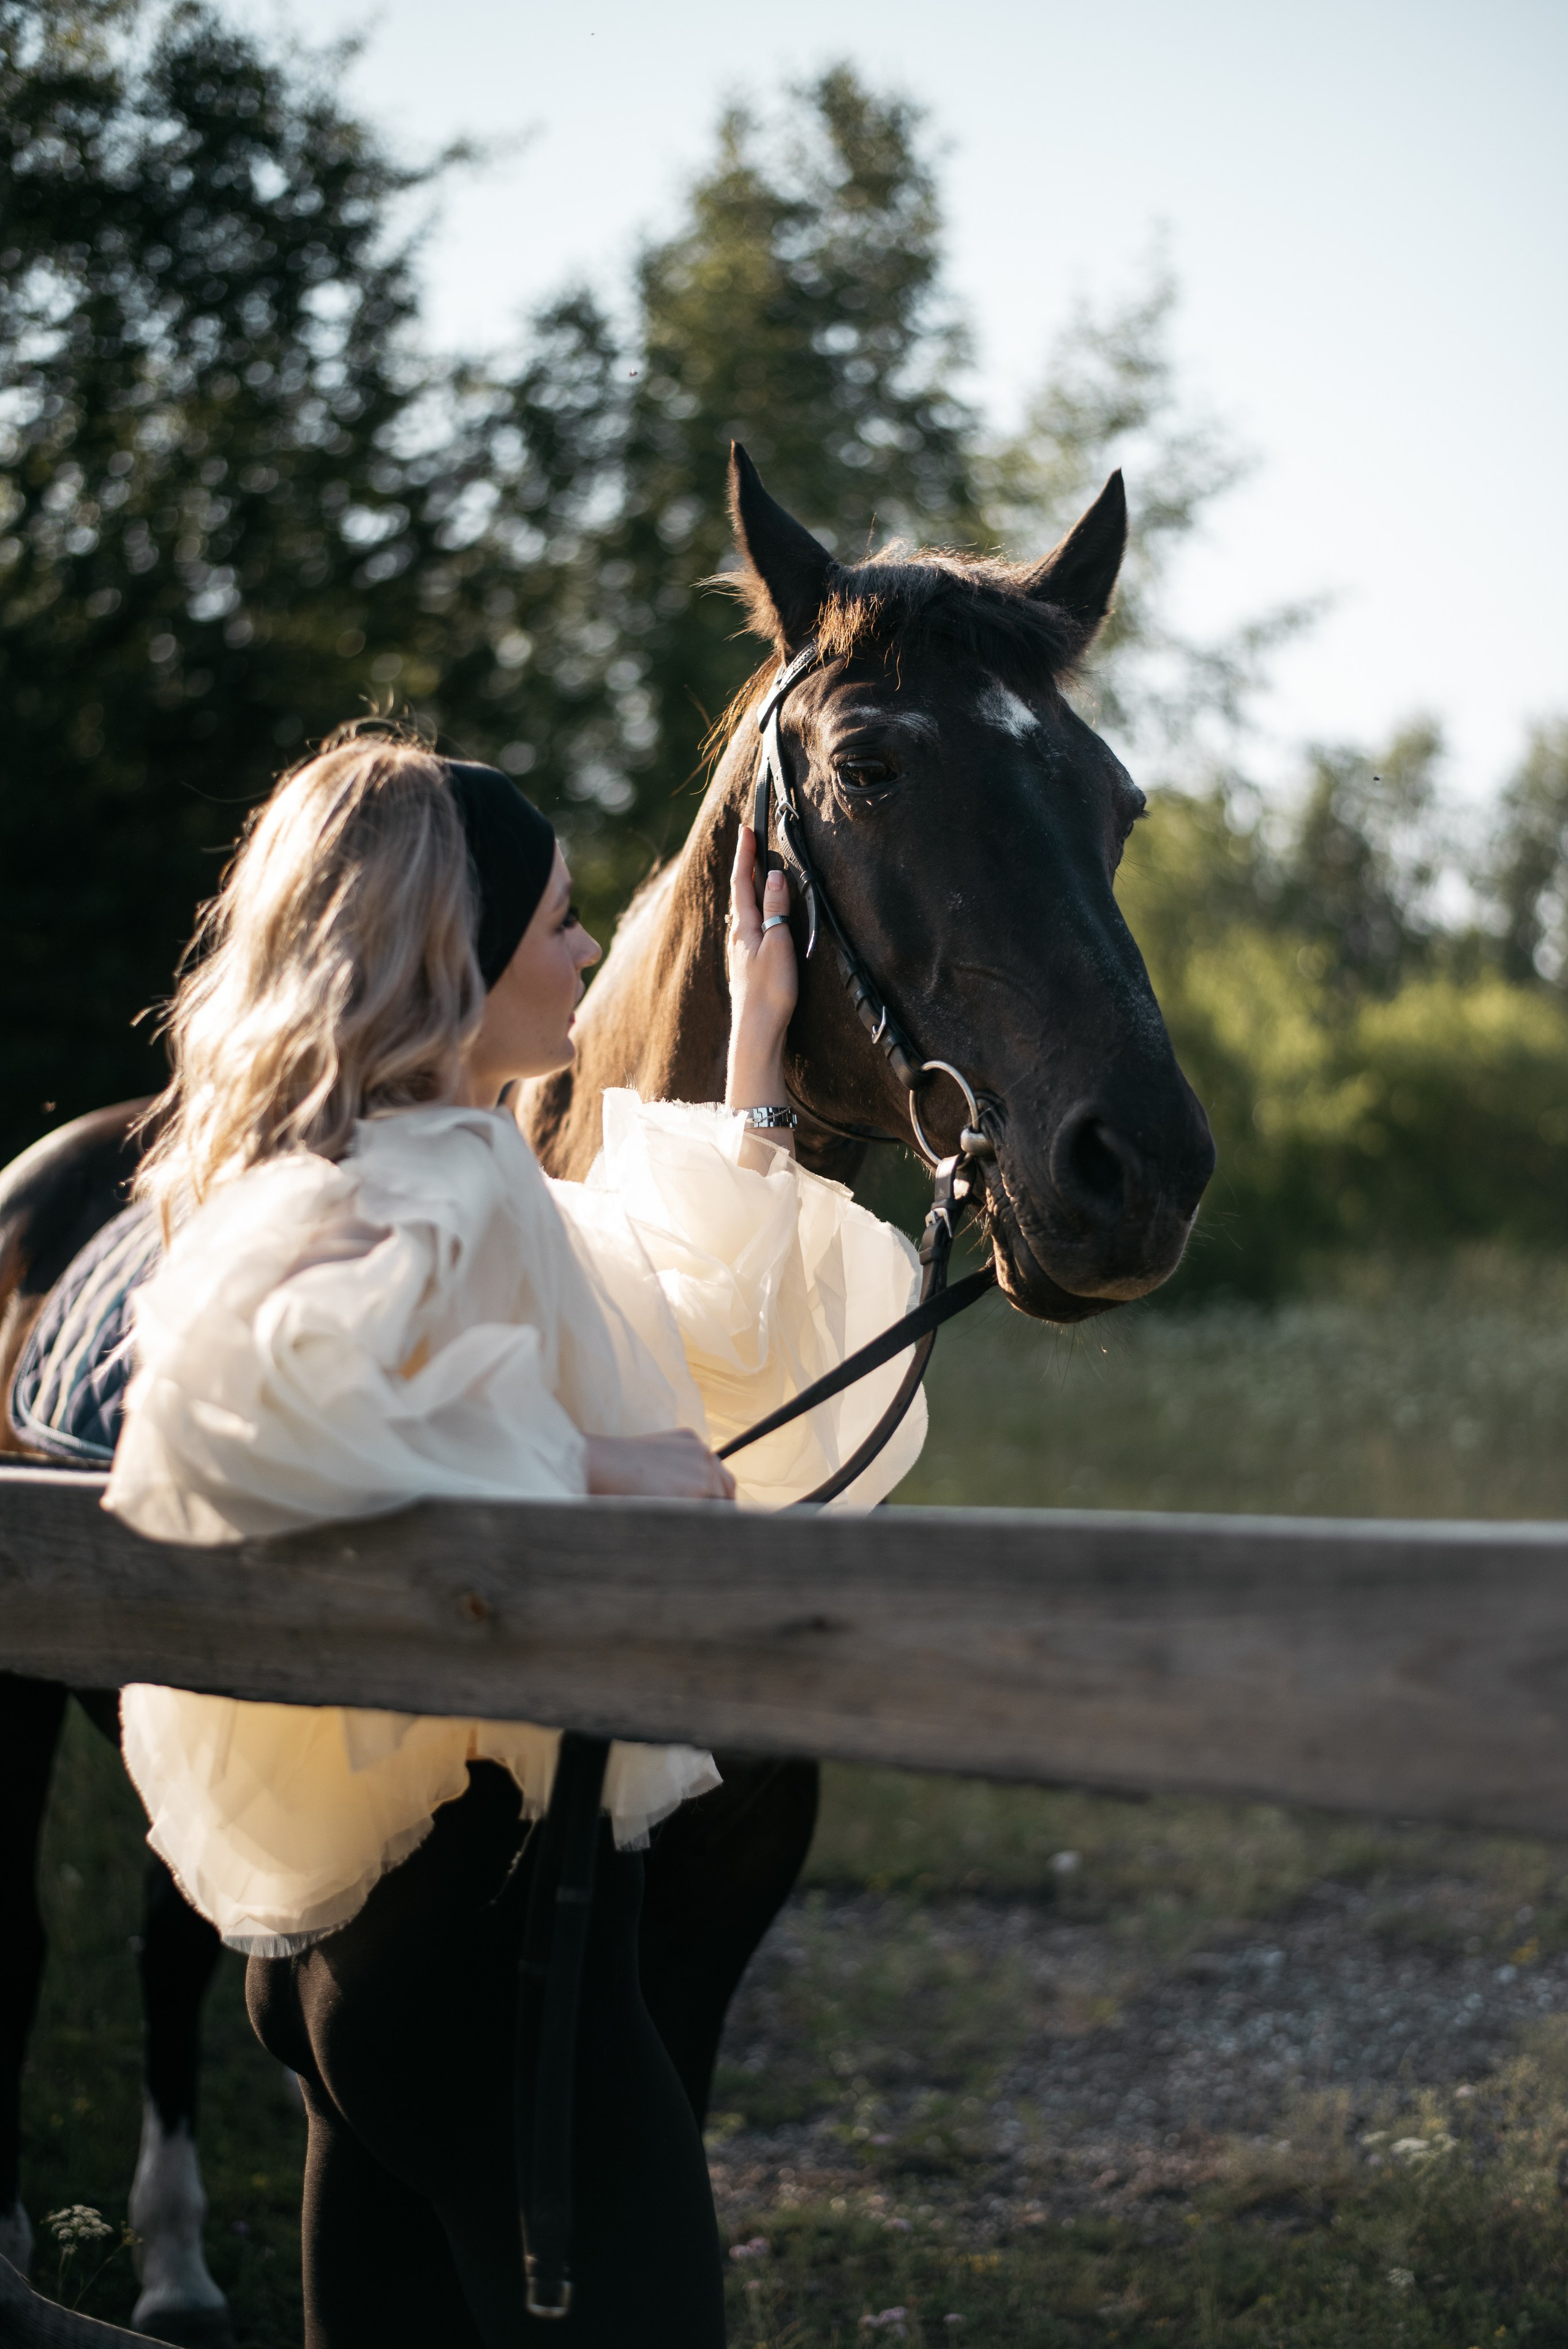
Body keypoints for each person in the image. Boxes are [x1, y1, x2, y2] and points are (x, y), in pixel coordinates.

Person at [100, 723, 925, 2347]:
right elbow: (245, 1404)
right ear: (452, 957)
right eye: (558, 920)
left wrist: (755, 1036)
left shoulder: (396, 1159)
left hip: (372, 1959)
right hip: (492, 1964)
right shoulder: (450, 1176)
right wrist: (582, 1466)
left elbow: (641, 1301)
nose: (593, 951)